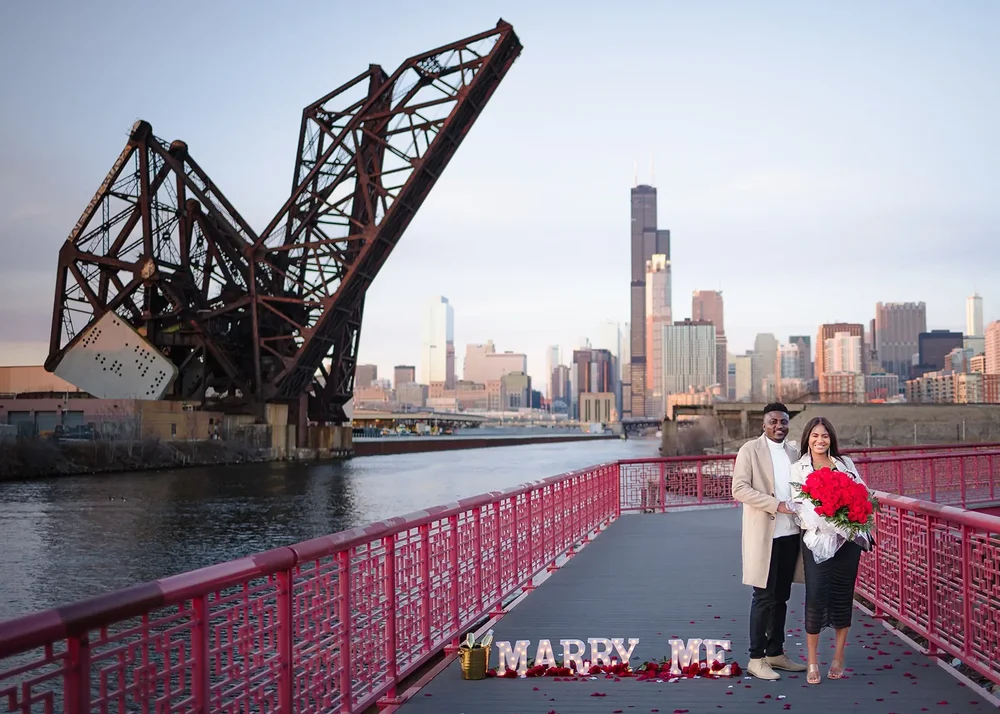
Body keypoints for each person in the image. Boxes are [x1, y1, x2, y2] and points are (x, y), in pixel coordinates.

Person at [789, 416, 868, 685]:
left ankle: (838, 657)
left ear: (831, 438)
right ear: (807, 439)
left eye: (824, 436)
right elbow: (800, 506)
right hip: (817, 540)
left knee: (843, 595)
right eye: (815, 436)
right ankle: (812, 660)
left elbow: (861, 492)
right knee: (815, 595)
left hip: (848, 540)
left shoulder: (845, 463)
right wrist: (831, 521)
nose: (820, 440)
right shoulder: (798, 468)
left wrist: (847, 523)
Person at [731, 403, 807, 680]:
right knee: (763, 597)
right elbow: (739, 489)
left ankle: (775, 653)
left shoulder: (794, 453)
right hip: (764, 535)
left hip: (790, 534)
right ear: (764, 425)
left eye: (783, 421)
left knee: (781, 597)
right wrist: (777, 504)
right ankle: (756, 658)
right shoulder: (750, 450)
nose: (779, 426)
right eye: (773, 421)